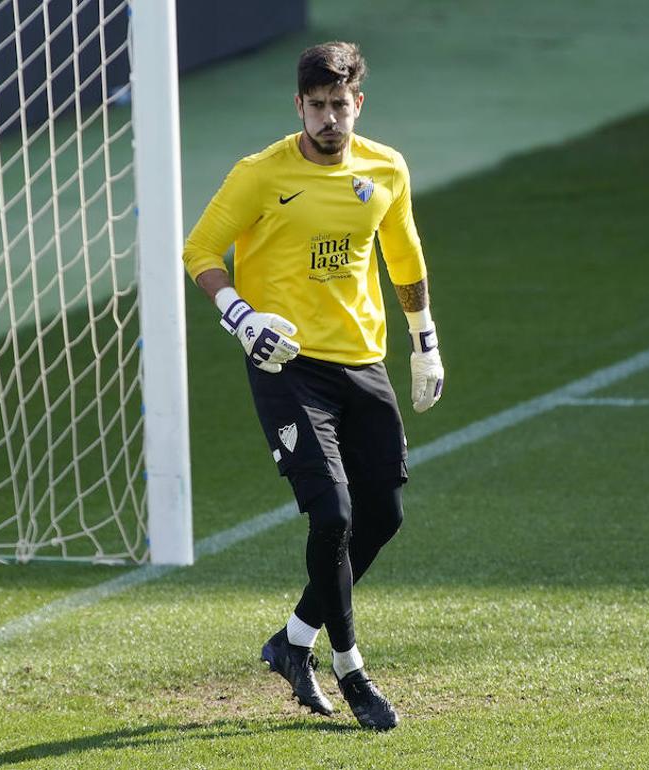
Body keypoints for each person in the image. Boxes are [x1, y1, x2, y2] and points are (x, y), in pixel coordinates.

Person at [181, 41, 444, 731]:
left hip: (362, 361)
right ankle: (350, 666)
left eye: (341, 105)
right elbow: (199, 250)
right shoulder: (261, 174)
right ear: (298, 105)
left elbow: (403, 251)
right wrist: (240, 315)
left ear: (359, 103)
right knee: (331, 514)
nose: (330, 119)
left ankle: (293, 642)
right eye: (317, 106)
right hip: (285, 364)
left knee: (382, 515)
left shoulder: (386, 168)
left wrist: (425, 343)